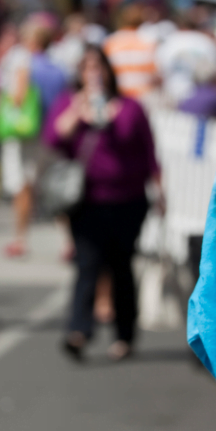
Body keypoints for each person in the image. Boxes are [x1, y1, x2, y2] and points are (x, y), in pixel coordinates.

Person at [44, 45, 163, 362]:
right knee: (87, 264)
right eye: (87, 67)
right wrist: (78, 110)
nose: (94, 73)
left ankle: (125, 335)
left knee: (122, 267)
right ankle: (79, 330)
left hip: (128, 199)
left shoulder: (129, 107)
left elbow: (149, 151)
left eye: (99, 67)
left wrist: (160, 191)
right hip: (87, 199)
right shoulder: (69, 104)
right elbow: (54, 139)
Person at [0, 14, 67, 258]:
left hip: (28, 133)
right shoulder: (59, 68)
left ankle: (20, 239)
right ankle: (67, 241)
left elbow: (17, 98)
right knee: (55, 188)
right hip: (52, 135)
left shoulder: (25, 65)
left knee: (24, 187)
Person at [102, 4, 159, 100]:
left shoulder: (110, 42)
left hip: (119, 96)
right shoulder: (149, 42)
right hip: (144, 97)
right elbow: (156, 75)